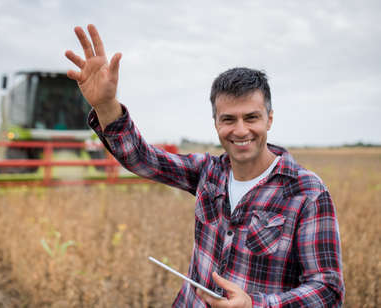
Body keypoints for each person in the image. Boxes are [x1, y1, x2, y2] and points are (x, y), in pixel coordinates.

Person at [65, 24, 345, 308]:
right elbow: (142, 159)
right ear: (215, 123)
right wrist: (106, 105)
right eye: (228, 119)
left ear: (269, 119)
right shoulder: (208, 172)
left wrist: (256, 305)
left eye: (251, 118)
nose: (240, 130)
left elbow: (327, 290)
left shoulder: (306, 191)